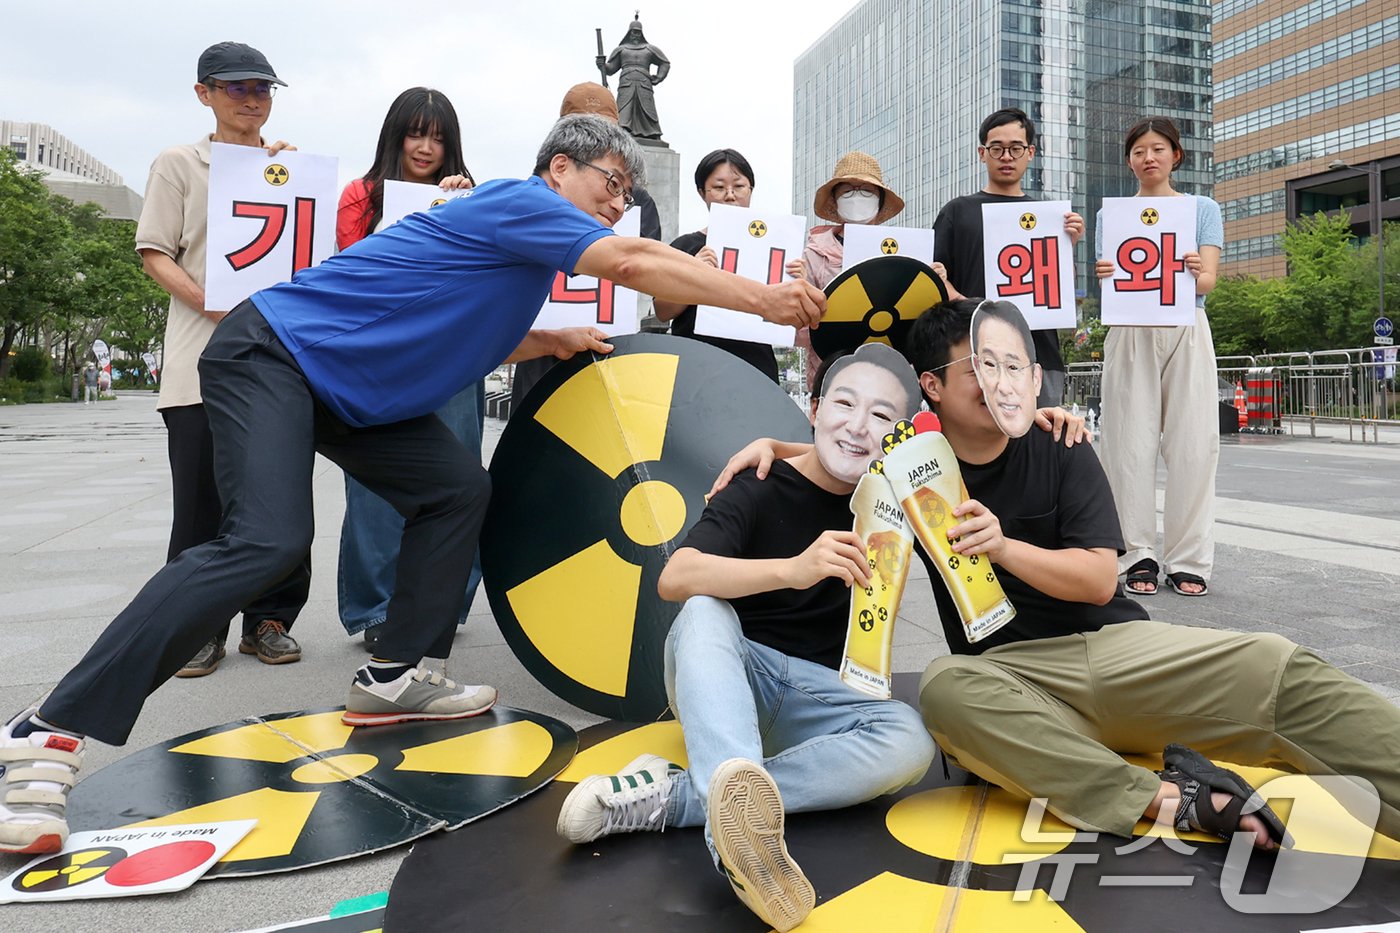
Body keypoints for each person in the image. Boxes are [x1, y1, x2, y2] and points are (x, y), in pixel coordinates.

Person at [0, 113, 825, 857]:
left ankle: (395, 674)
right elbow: (638, 262)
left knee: (456, 489)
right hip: (274, 356)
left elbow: (453, 319)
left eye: (628, 190)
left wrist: (545, 341)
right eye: (613, 181)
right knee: (265, 542)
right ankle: (45, 730)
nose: (620, 201)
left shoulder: (519, 253)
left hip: (347, 392)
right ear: (559, 171)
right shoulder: (520, 202)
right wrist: (762, 297)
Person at [720, 300, 1400, 859]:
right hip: (1011, 681)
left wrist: (1005, 546)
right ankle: (1175, 799)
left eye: (1014, 364)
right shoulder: (905, 464)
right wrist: (775, 446)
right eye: (981, 366)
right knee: (947, 690)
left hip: (1116, 654)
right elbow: (837, 453)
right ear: (933, 386)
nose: (1004, 381)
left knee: (1278, 668)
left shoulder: (1062, 443)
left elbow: (1099, 579)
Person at [557, 343, 935, 933]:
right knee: (705, 607)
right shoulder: (758, 481)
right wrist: (792, 569)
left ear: (898, 435)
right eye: (844, 403)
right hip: (731, 678)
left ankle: (682, 797)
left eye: (882, 416)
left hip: (816, 697)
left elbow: (963, 455)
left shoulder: (891, 501)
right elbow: (676, 578)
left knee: (910, 739)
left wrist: (1039, 418)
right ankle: (741, 846)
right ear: (814, 408)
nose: (859, 425)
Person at [133, 41, 307, 678]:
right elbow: (155, 253)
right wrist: (211, 302)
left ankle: (270, 620)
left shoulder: (287, 168)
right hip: (200, 359)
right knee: (202, 503)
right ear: (204, 93)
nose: (253, 99)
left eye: (262, 88)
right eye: (237, 88)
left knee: (278, 498)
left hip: (276, 362)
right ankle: (196, 628)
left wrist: (292, 176)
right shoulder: (180, 162)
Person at [335, 87, 480, 652]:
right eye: (416, 133)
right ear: (395, 135)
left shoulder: (467, 197)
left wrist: (461, 207)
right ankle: (375, 607)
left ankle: (446, 602)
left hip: (454, 355)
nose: (426, 147)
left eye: (439, 137)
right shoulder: (360, 196)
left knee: (462, 478)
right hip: (381, 360)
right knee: (374, 490)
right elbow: (351, 272)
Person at [1094, 117, 1221, 597]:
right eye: (1139, 151)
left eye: (1158, 149)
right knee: (1127, 444)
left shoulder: (1201, 208)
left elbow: (1207, 281)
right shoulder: (1114, 216)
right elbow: (1111, 279)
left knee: (1195, 443)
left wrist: (1194, 268)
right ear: (1129, 160)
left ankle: (1189, 558)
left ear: (1176, 156)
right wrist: (1104, 270)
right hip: (1130, 328)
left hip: (1187, 323)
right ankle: (1137, 554)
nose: (1148, 158)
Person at [508, 82, 662, 412]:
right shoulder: (532, 194)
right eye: (582, 126)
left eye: (604, 128)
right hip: (541, 349)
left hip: (609, 348)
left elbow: (643, 266)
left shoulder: (638, 201)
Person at [932, 107, 1085, 408]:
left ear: (1030, 153)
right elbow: (933, 281)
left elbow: (1063, 296)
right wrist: (969, 305)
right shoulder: (957, 212)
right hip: (972, 352)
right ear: (982, 153)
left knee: (1039, 448)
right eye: (997, 148)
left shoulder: (1051, 218)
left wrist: (1070, 245)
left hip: (1037, 354)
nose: (1006, 156)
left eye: (1015, 148)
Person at [653, 148, 805, 381]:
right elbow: (663, 312)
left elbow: (792, 318)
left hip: (755, 367)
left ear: (751, 190)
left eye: (739, 186)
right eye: (719, 187)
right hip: (695, 366)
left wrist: (798, 283)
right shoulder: (686, 246)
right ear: (702, 193)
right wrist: (693, 274)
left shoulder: (775, 248)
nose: (730, 195)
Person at [800, 152, 906, 388]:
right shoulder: (814, 254)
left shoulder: (901, 251)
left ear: (879, 204)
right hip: (830, 374)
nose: (857, 198)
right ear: (835, 203)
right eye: (847, 191)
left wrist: (935, 278)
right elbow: (797, 332)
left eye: (867, 191)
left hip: (887, 375)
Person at [970, 300, 1041, 438]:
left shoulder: (1065, 447)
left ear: (1036, 378)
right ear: (977, 369)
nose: (1003, 386)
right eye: (990, 364)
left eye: (1013, 367)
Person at [598, 14, 669, 140]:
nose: (635, 35)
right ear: (629, 33)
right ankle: (622, 133)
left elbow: (665, 63)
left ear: (641, 34)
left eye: (638, 32)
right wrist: (602, 65)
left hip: (644, 83)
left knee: (647, 109)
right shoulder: (621, 49)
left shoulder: (649, 49)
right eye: (633, 32)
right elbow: (610, 69)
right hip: (626, 82)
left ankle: (652, 134)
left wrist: (658, 77)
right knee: (624, 109)